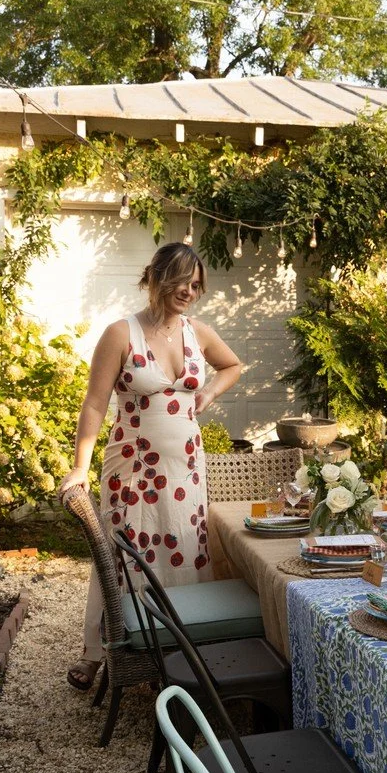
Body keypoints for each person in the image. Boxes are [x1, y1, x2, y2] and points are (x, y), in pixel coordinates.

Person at [59, 242, 243, 690]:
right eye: (183, 281)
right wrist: (80, 467)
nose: (190, 292)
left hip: (187, 469)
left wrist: (209, 393)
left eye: (196, 285)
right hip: (133, 467)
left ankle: (180, 648)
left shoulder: (198, 332)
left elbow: (233, 365)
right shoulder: (121, 333)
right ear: (157, 277)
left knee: (185, 546)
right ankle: (100, 652)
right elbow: (95, 404)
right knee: (126, 557)